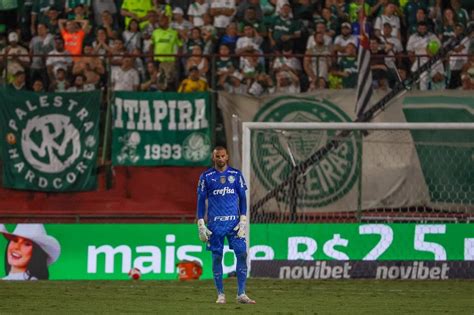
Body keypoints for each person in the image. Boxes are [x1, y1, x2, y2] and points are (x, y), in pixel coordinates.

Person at [196, 146, 255, 304]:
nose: (220, 159)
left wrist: (243, 220)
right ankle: (220, 294)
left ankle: (241, 293)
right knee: (217, 258)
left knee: (242, 254)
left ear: (227, 156)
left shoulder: (236, 175)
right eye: (217, 156)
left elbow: (243, 198)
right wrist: (201, 223)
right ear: (213, 157)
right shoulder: (206, 176)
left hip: (234, 223)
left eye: (223, 156)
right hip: (215, 225)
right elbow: (201, 201)